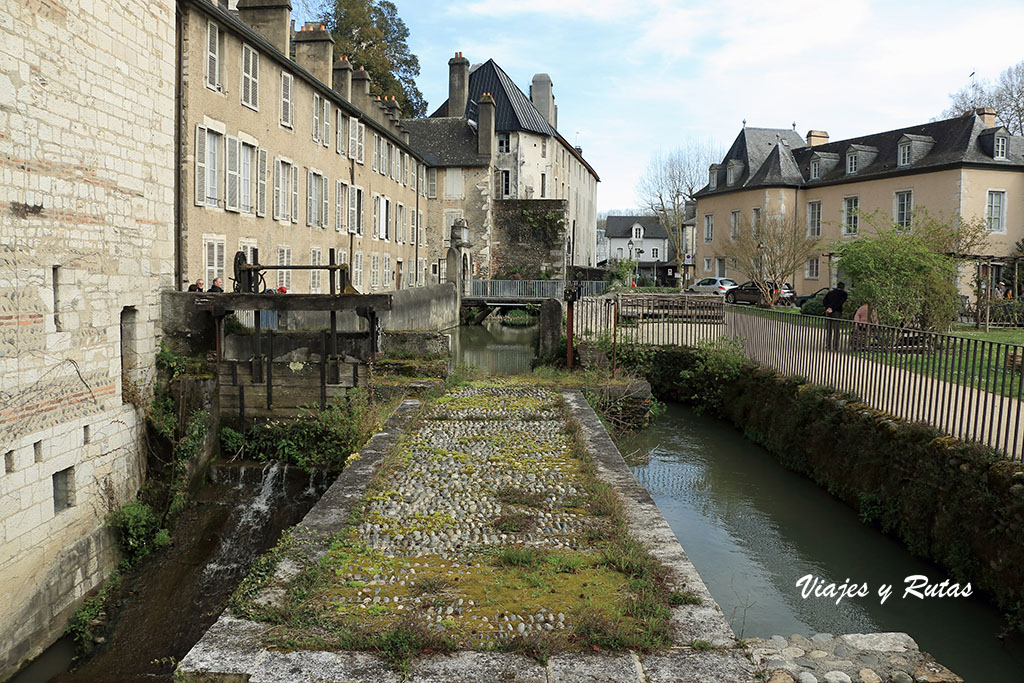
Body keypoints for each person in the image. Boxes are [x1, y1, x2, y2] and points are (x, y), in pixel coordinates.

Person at [823, 282, 848, 350]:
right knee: (836, 329)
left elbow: (824, 301)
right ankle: (835, 346)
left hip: (828, 312)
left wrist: (828, 307)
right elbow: (840, 303)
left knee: (829, 329)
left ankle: (828, 345)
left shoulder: (830, 293)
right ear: (843, 288)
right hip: (837, 312)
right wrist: (833, 308)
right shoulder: (844, 294)